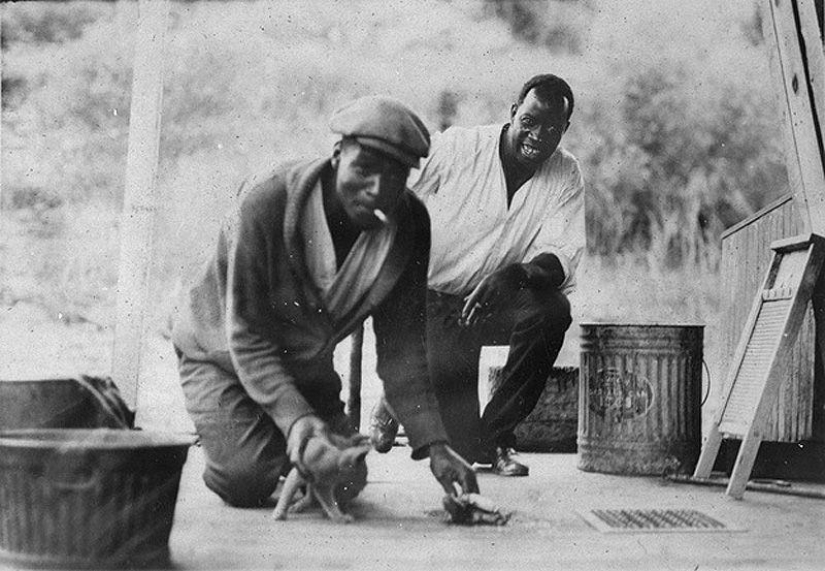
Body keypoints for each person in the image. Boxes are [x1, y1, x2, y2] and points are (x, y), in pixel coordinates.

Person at [171, 95, 478, 508]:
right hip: (220, 355)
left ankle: (272, 432)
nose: (377, 190)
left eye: (394, 178)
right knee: (245, 479)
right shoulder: (266, 203)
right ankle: (238, 431)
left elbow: (402, 352)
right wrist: (298, 421)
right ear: (337, 155)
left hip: (304, 369)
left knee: (346, 476)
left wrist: (436, 445)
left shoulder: (410, 226)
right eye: (364, 170)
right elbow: (246, 337)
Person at [370, 74, 585, 477]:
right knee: (463, 449)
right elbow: (396, 193)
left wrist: (514, 275)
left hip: (495, 302)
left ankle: (501, 436)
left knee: (551, 310)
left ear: (565, 130)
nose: (539, 136)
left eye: (553, 128)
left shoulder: (566, 173)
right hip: (435, 300)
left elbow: (563, 258)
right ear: (514, 112)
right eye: (531, 121)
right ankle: (400, 390)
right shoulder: (459, 147)